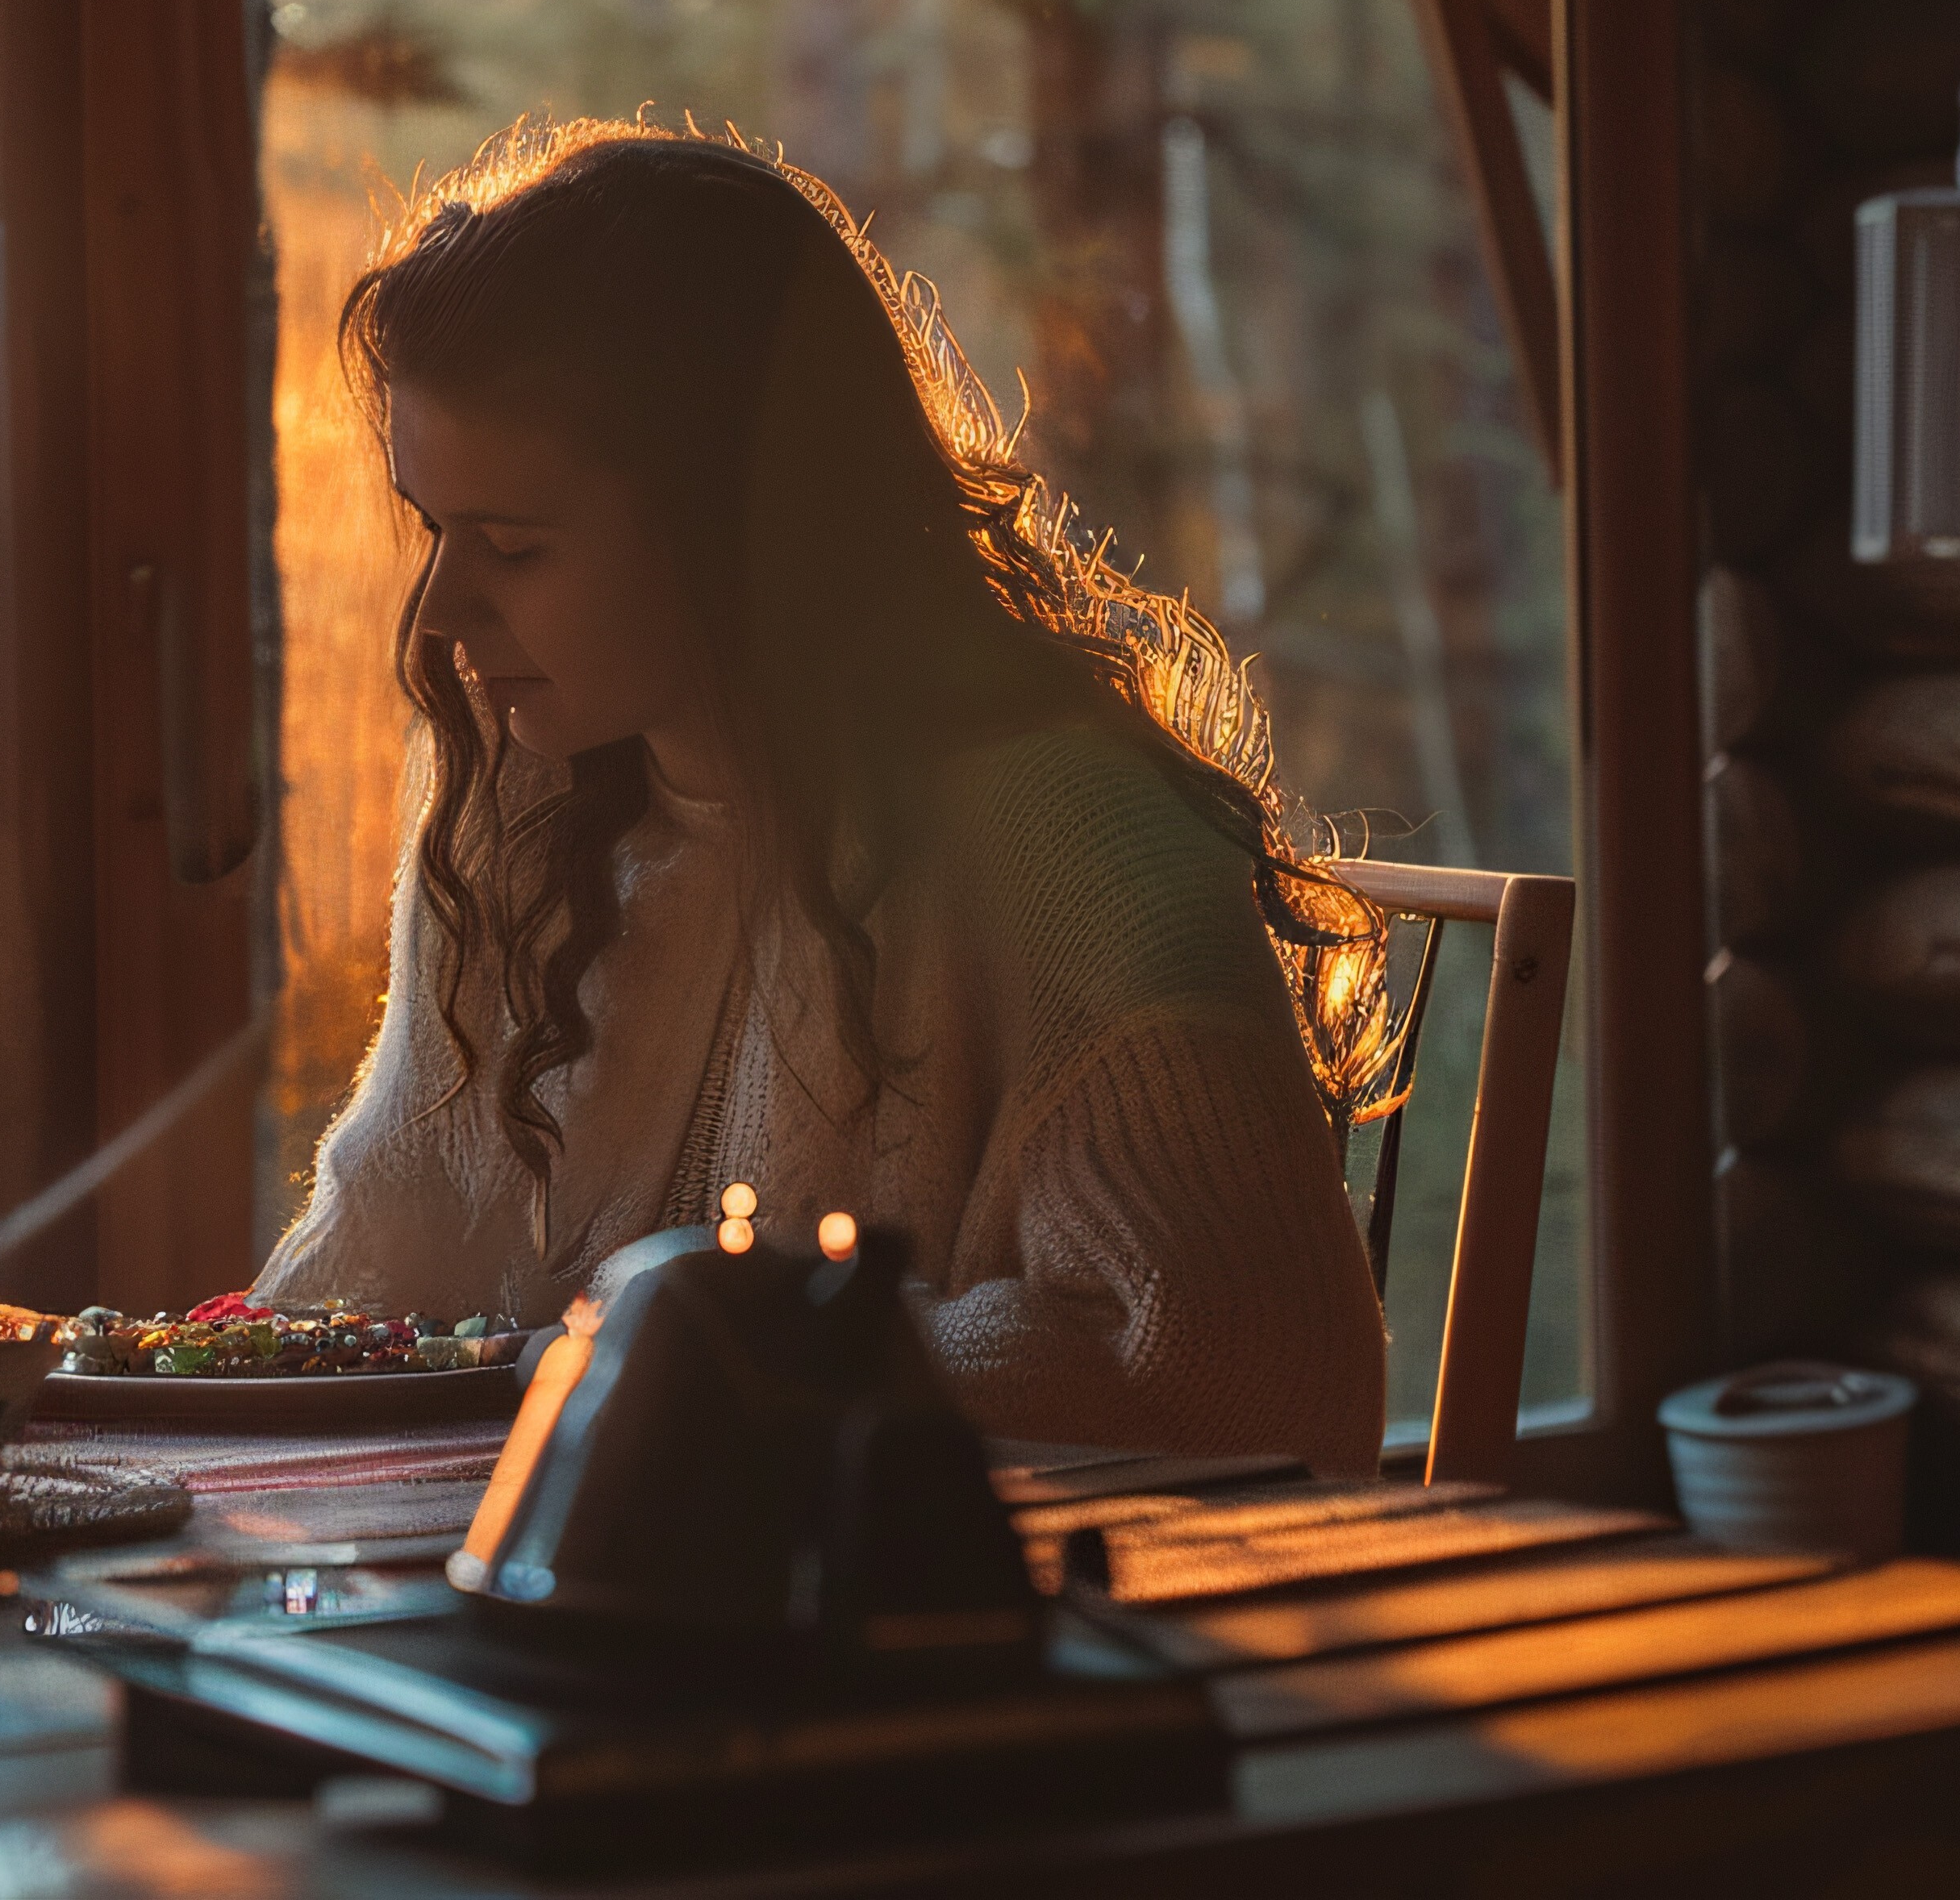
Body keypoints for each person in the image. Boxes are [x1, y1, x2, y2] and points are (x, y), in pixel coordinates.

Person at [256, 122, 1391, 1473]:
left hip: (961, 1636)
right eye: (434, 528)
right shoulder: (520, 796)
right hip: (606, 1597)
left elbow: (1249, 1377)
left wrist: (729, 1349)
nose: (442, 613)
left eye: (513, 544)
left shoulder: (1078, 849)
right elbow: (393, 1231)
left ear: (740, 518)